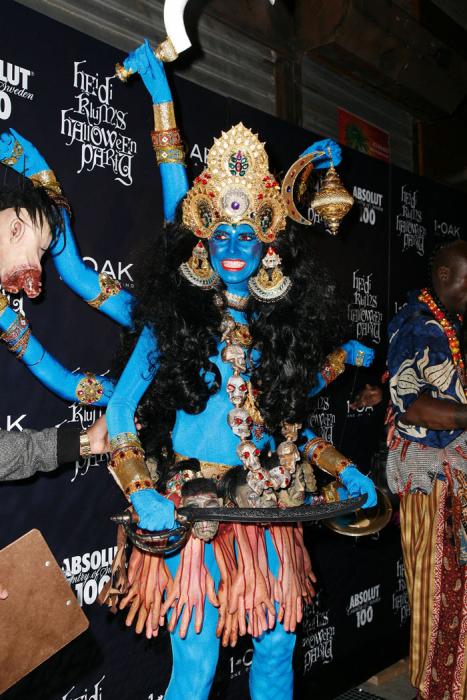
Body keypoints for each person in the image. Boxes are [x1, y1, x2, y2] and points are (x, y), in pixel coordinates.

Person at [100, 40, 377, 700]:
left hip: (270, 510)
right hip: (191, 512)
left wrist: (345, 471)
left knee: (279, 649)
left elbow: (290, 423)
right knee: (192, 667)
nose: (230, 246)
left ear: (268, 244)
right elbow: (117, 415)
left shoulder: (282, 333)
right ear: (202, 242)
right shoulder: (174, 323)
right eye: (218, 235)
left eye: (244, 234)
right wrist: (140, 489)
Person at [387, 239, 467, 700]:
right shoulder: (420, 327)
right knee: (439, 594)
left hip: (448, 480)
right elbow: (414, 406)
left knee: (450, 591)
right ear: (442, 275)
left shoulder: (444, 324)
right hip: (433, 483)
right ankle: (435, 691)